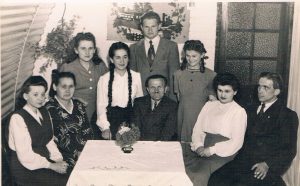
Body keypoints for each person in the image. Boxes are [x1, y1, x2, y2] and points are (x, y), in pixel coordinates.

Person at [208, 72, 299, 186]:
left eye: (265, 87)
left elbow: (289, 150)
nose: (260, 90)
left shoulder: (287, 115)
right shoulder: (249, 109)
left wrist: (267, 164)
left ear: (277, 91)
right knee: (216, 180)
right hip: (243, 161)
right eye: (259, 86)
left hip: (265, 166)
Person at [183, 73, 247, 186]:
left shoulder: (238, 111)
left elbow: (236, 142)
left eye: (227, 91)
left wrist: (211, 150)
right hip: (202, 149)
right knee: (182, 169)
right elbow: (198, 129)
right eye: (220, 90)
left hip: (224, 154)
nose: (222, 94)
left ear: (235, 92)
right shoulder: (209, 105)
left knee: (199, 175)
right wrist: (198, 146)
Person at [8, 76, 68, 186]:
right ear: (26, 96)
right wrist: (52, 166)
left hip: (43, 162)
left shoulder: (44, 112)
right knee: (62, 182)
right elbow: (26, 156)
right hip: (25, 168)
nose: (40, 98)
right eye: (35, 95)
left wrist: (58, 159)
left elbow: (49, 140)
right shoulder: (17, 118)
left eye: (42, 94)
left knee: (71, 175)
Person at [45, 72, 94, 173]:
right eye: (63, 86)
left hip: (85, 155)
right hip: (61, 161)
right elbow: (48, 140)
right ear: (54, 87)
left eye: (71, 86)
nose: (67, 90)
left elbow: (88, 131)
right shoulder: (48, 109)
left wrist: (84, 152)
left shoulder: (79, 105)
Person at [97, 42, 143, 140]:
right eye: (117, 57)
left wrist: (136, 127)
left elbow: (140, 105)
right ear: (111, 60)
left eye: (125, 57)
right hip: (111, 122)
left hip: (131, 121)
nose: (122, 61)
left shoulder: (136, 77)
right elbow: (101, 107)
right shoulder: (104, 79)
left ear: (129, 58)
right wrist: (105, 128)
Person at [59, 32, 108, 125]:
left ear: (94, 50)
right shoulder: (67, 67)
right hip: (74, 115)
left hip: (99, 115)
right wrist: (74, 99)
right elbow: (57, 94)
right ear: (76, 50)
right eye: (83, 48)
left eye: (90, 48)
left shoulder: (100, 66)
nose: (87, 52)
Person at [130, 11, 180, 101]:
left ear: (159, 26)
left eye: (153, 26)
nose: (150, 30)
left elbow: (174, 76)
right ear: (141, 27)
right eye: (146, 27)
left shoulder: (171, 46)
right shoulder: (133, 48)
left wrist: (173, 100)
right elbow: (132, 76)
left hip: (164, 97)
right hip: (141, 97)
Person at [174, 40, 217, 143]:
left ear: (202, 55)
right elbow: (179, 97)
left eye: (194, 56)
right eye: (188, 56)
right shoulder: (178, 74)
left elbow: (213, 102)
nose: (190, 59)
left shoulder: (211, 75)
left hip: (201, 116)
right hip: (183, 115)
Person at [133, 74, 177, 141]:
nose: (156, 90)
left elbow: (168, 132)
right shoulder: (139, 102)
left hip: (161, 145)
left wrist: (155, 146)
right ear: (148, 89)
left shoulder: (172, 105)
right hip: (141, 143)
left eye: (159, 87)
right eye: (152, 87)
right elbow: (136, 127)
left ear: (165, 89)